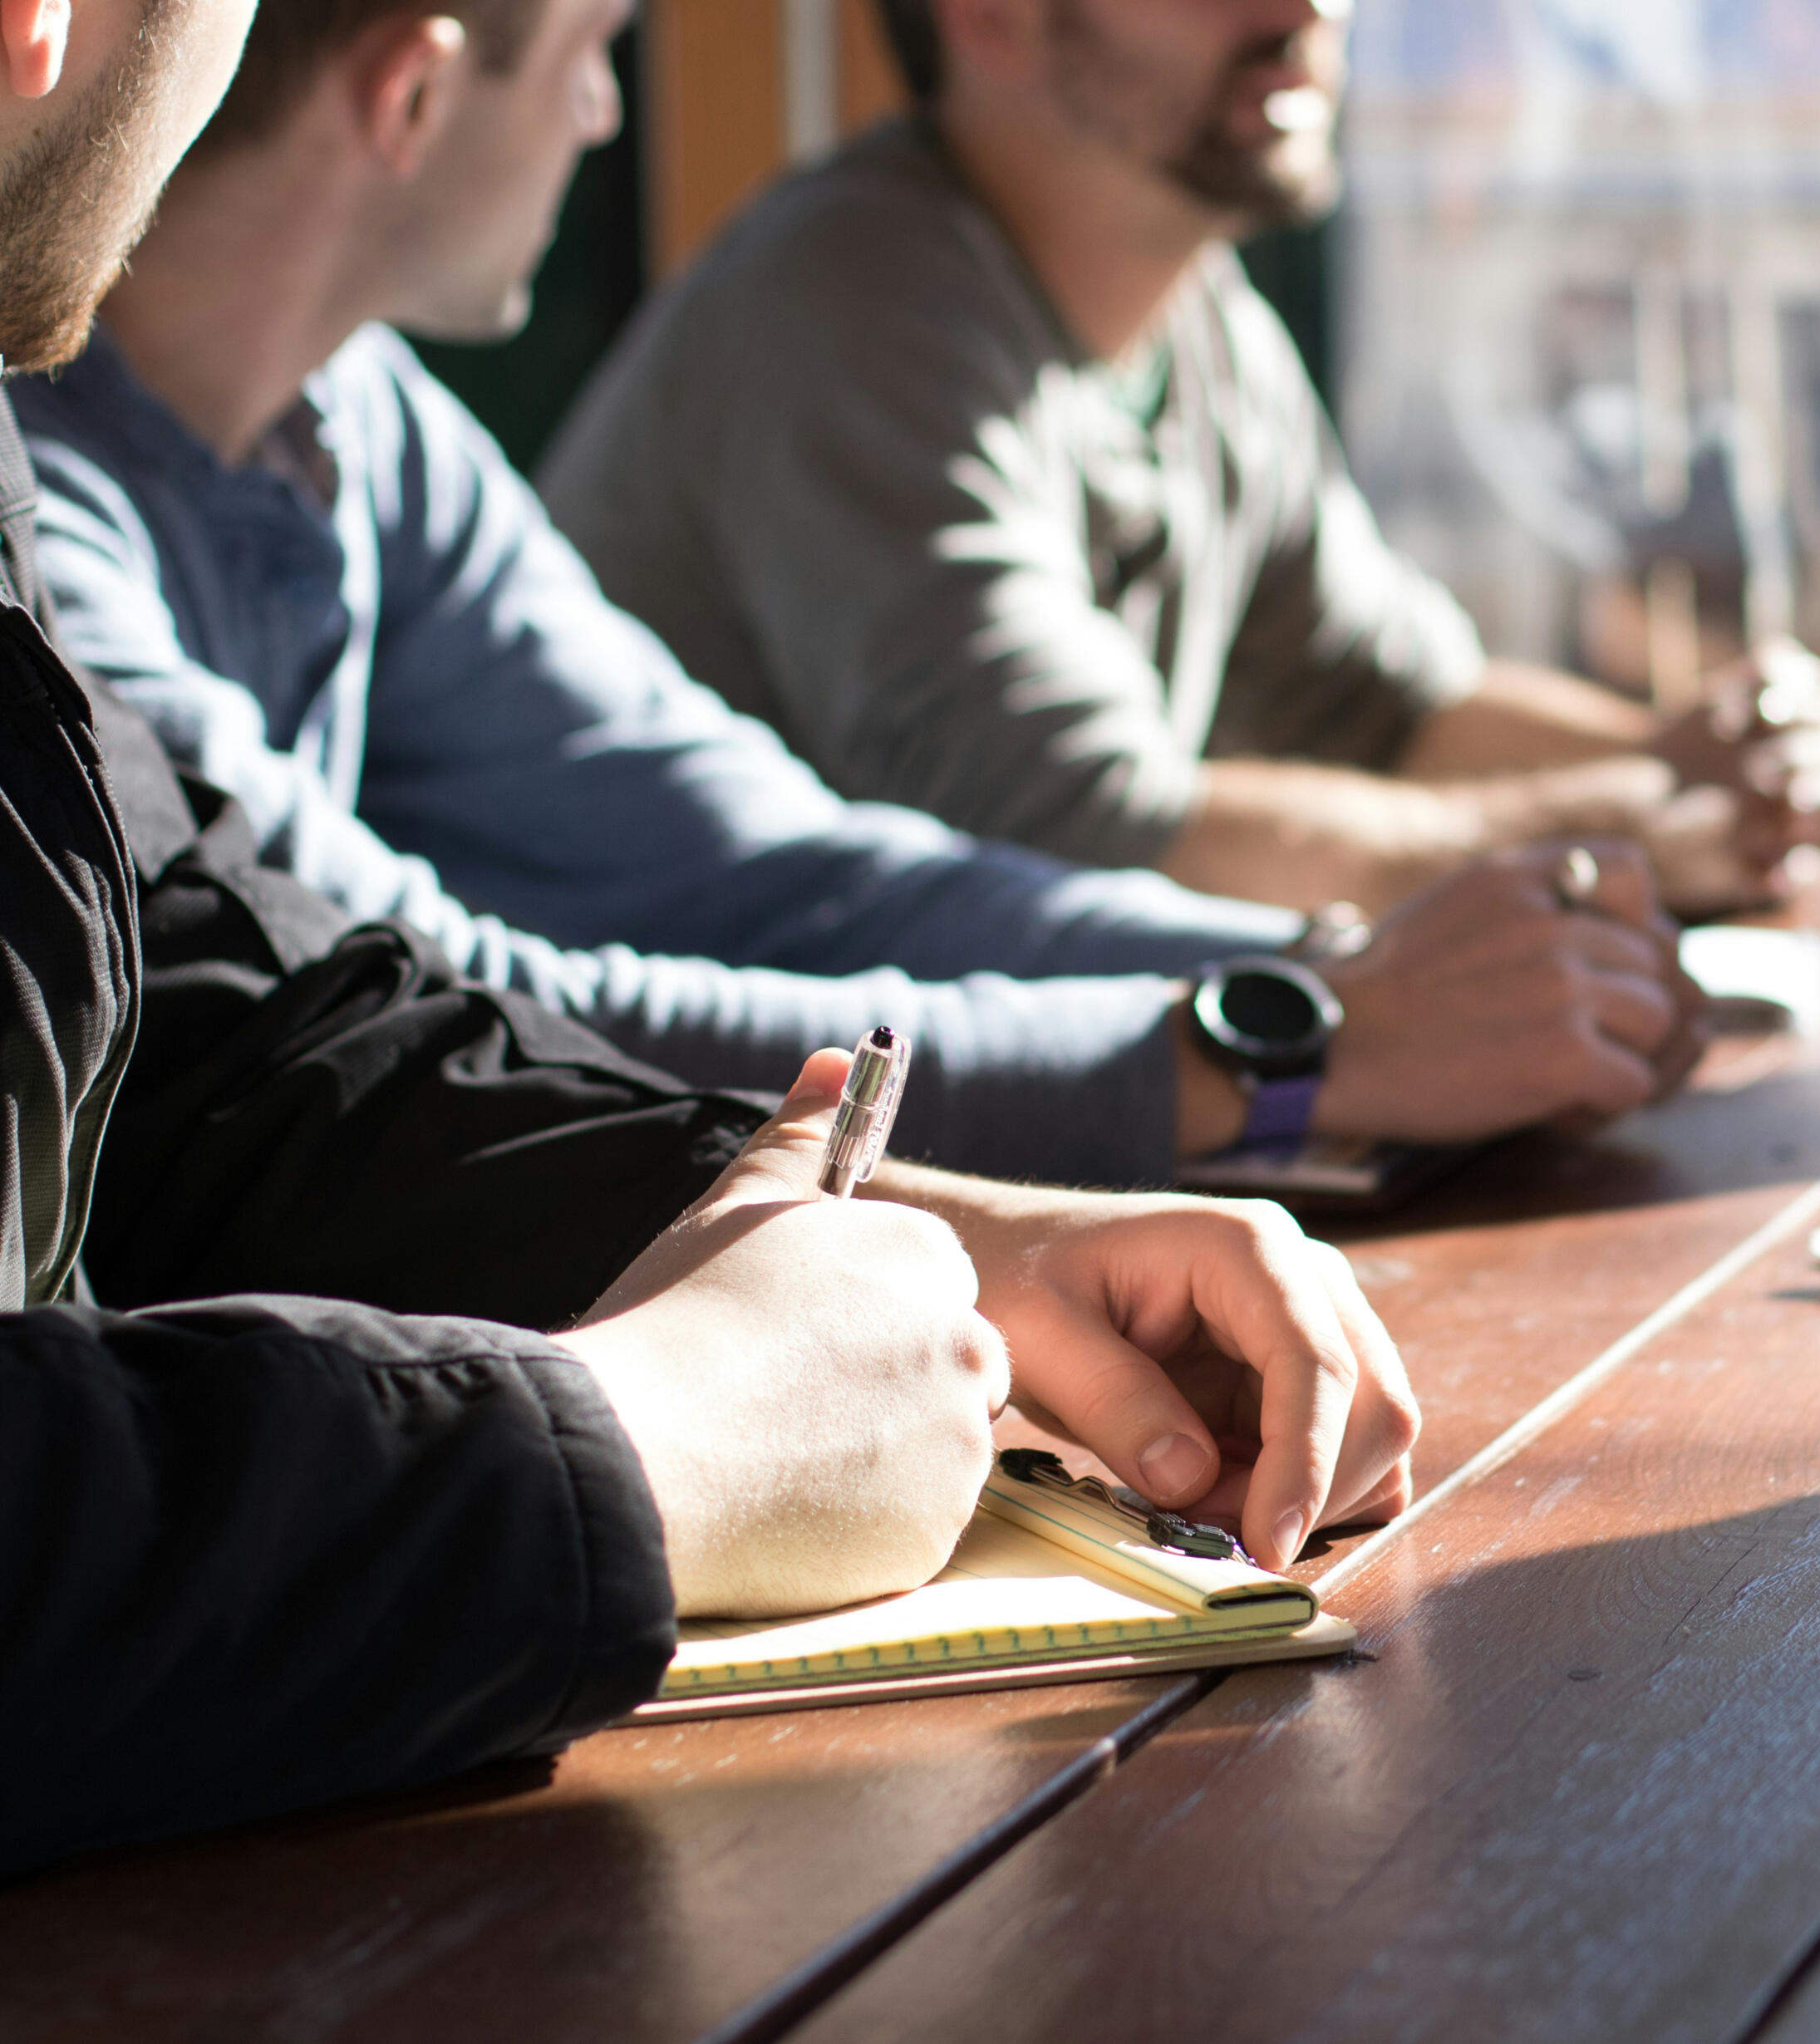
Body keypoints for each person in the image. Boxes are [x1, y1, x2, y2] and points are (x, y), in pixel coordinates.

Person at [0, 0, 1424, 1882]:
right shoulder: (860, 294)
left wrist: (881, 1233)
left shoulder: (316, 435)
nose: (609, 111)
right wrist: (644, 1437)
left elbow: (227, 1028)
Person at [22, 0, 1708, 1192]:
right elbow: (425, 1018)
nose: (611, 115)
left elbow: (764, 863)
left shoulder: (356, 421)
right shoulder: (46, 534)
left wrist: (1320, 969)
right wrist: (1278, 1044)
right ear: (408, 98)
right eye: (608, 46)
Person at [540, 0, 1820, 924]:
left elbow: (1392, 704)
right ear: (991, 14)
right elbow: (1093, 839)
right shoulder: (850, 305)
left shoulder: (1194, 310)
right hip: (701, 1168)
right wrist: (1633, 826)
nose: (1311, 6)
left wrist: (1706, 761)